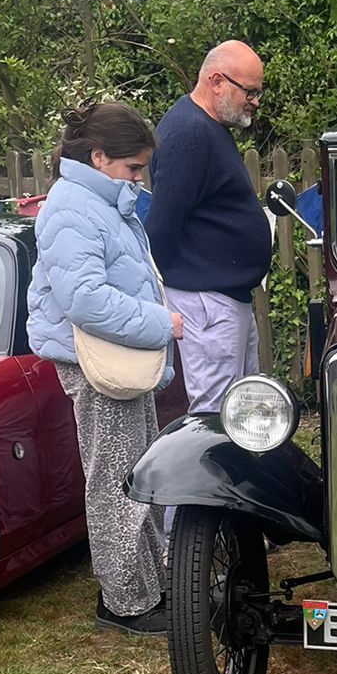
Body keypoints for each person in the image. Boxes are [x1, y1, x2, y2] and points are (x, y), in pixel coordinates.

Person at [28, 102, 182, 636]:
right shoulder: (72, 209)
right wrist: (160, 323)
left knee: (138, 473)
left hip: (115, 360)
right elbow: (86, 300)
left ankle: (152, 586)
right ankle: (124, 601)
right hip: (95, 364)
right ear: (98, 157)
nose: (139, 179)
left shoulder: (96, 202)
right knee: (116, 484)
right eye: (133, 168)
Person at [146, 40, 273, 413]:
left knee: (242, 410)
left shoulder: (206, 127)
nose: (255, 101)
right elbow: (162, 227)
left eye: (258, 92)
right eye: (249, 91)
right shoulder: (189, 135)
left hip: (221, 299)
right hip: (206, 303)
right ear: (217, 81)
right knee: (216, 414)